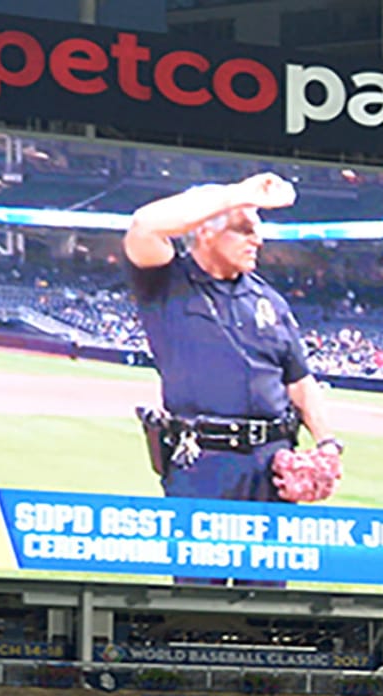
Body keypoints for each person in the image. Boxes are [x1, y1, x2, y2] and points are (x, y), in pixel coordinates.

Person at [122, 175, 341, 526]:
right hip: (203, 463)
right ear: (206, 231)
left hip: (273, 465)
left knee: (267, 577)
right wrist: (236, 196)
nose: (258, 240)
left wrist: (327, 443)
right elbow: (144, 225)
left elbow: (299, 381)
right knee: (199, 577)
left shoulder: (269, 300)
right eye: (245, 229)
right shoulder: (165, 282)